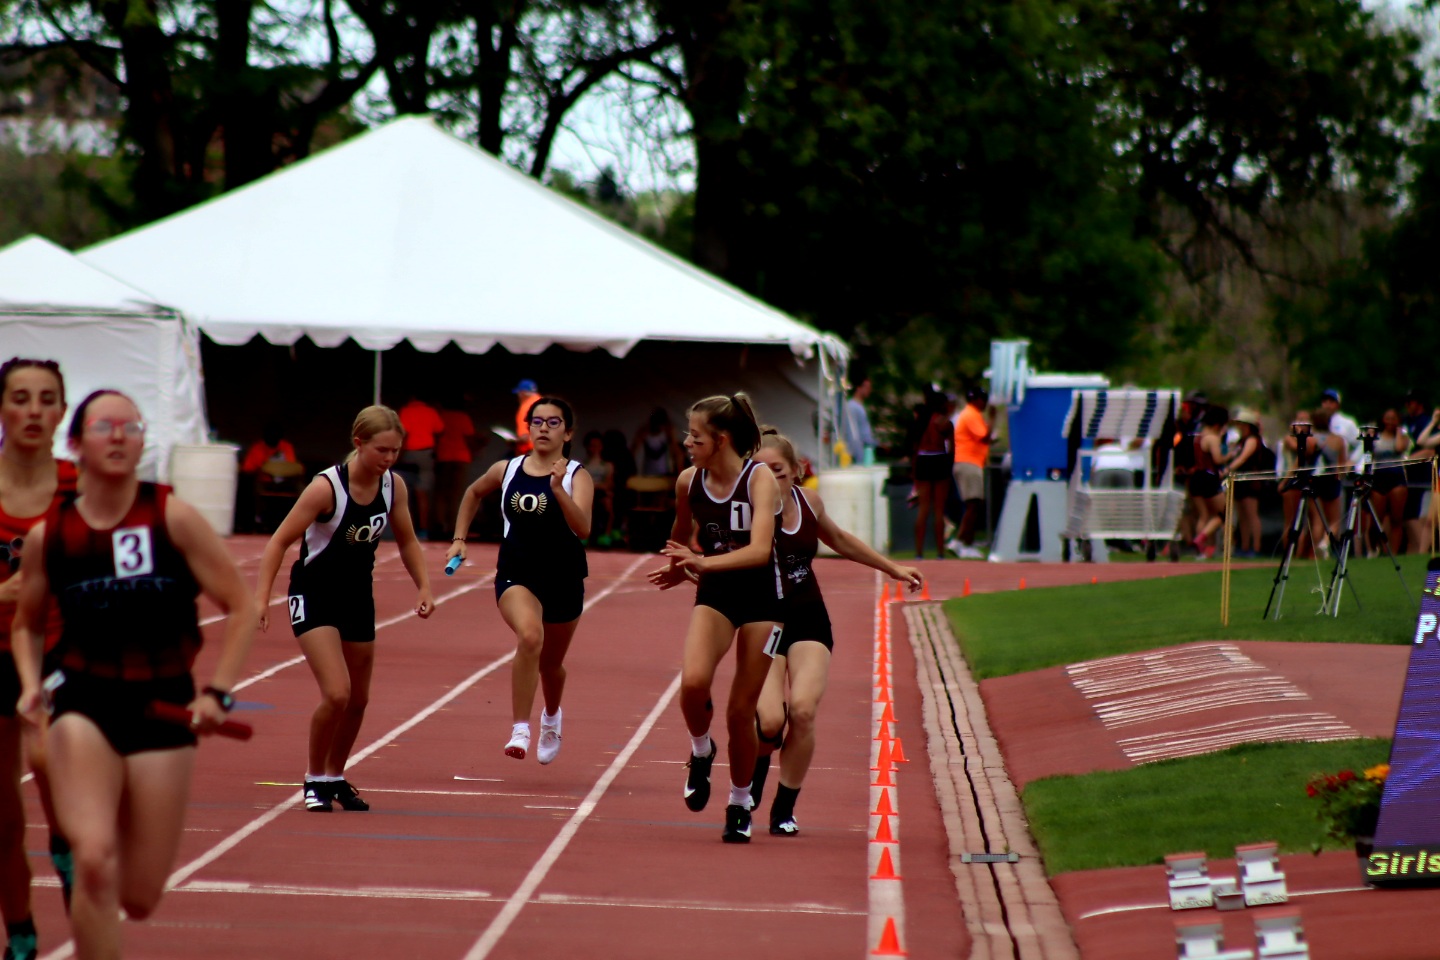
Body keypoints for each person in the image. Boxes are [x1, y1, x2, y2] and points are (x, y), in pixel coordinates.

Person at [10, 389, 256, 960]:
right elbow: (26, 626)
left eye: (131, 426)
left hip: (163, 709)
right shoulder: (53, 536)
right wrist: (29, 685)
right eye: (104, 426)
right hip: (84, 705)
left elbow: (240, 606)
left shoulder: (172, 517)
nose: (119, 435)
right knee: (92, 861)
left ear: (144, 442)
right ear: (75, 445)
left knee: (141, 895)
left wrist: (218, 692)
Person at [254, 406, 434, 813]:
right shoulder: (326, 488)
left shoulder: (394, 487)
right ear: (359, 444)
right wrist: (260, 599)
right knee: (336, 693)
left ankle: (335, 776)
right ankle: (314, 778)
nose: (389, 459)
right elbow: (279, 541)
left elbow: (406, 540)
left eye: (396, 451)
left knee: (359, 700)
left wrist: (423, 585)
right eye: (381, 450)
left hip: (357, 597)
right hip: (314, 595)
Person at [748, 428, 921, 835]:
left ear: (797, 472)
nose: (769, 479)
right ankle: (751, 780)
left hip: (808, 619)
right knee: (771, 720)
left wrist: (892, 568)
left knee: (803, 711)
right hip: (762, 622)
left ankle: (783, 809)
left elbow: (840, 539)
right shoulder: (747, 512)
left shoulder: (809, 503)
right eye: (759, 472)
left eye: (777, 470)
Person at [648, 393, 781, 844]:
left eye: (695, 435)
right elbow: (680, 531)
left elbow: (761, 551)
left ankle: (740, 802)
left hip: (764, 596)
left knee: (740, 710)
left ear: (720, 440)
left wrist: (702, 563)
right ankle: (701, 751)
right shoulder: (689, 481)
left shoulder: (759, 478)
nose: (686, 442)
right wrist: (676, 563)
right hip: (718, 593)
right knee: (693, 684)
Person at [446, 397, 592, 763]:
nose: (543, 428)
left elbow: (584, 528)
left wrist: (558, 490)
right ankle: (520, 729)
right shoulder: (506, 469)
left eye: (553, 422)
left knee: (551, 665)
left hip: (564, 576)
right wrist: (459, 539)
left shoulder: (577, 475)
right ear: (528, 428)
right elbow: (472, 492)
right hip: (517, 572)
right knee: (530, 636)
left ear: (568, 432)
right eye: (537, 421)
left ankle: (551, 716)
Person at [0, 359, 77, 960]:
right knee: (2, 818)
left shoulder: (85, 487)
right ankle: (21, 932)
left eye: (45, 399)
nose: (32, 409)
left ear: (61, 411)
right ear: (2, 408)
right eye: (20, 397)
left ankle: (73, 857)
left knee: (50, 767)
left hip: (62, 653)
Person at [946, 387, 992, 559]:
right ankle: (959, 542)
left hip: (969, 462)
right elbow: (984, 436)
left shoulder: (971, 414)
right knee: (973, 505)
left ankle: (967, 543)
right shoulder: (971, 414)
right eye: (984, 399)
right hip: (968, 462)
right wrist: (993, 418)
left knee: (974, 504)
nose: (986, 402)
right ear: (977, 400)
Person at [1224, 409, 1273, 558]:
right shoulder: (1240, 441)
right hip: (1240, 480)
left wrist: (1228, 469)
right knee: (1242, 516)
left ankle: (1256, 547)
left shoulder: (1252, 440)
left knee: (1251, 515)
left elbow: (1243, 458)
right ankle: (1244, 546)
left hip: (1250, 481)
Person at [910, 390, 953, 559]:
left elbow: (913, 447)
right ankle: (940, 552)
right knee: (939, 509)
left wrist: (914, 471)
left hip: (922, 459)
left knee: (923, 509)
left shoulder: (920, 421)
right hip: (939, 459)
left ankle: (919, 552)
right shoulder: (944, 423)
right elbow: (951, 449)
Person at [397, 394, 445, 538]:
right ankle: (423, 530)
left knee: (405, 494)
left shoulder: (406, 411)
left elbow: (403, 434)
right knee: (422, 493)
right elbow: (440, 431)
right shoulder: (430, 411)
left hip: (409, 453)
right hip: (426, 453)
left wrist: (397, 456)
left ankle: (407, 529)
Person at [239, 421, 300, 533]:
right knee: (251, 487)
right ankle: (257, 520)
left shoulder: (286, 447)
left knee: (302, 487)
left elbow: (291, 466)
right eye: (270, 435)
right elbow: (247, 469)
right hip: (265, 482)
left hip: (284, 481)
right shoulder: (257, 448)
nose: (273, 438)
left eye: (276, 435)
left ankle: (299, 521)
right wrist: (264, 466)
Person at [1189, 406, 1232, 559]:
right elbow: (1217, 459)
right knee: (1223, 513)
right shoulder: (1213, 438)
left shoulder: (1198, 437)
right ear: (1217, 425)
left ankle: (1201, 550)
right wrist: (1231, 454)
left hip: (1196, 477)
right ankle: (1202, 538)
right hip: (1208, 477)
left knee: (1203, 515)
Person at [434, 394, 477, 544]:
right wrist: (474, 452)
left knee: (441, 494)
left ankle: (440, 525)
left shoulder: (441, 415)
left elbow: (436, 434)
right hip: (461, 457)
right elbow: (469, 437)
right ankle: (454, 527)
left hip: (443, 456)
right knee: (457, 494)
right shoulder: (463, 417)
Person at [1366, 409, 1410, 557]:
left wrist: (1399, 431)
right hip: (1379, 477)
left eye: (1393, 418)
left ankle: (1393, 551)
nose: (1390, 421)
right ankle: (1374, 548)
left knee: (1396, 519)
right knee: (1376, 519)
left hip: (1396, 478)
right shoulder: (1376, 436)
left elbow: (1399, 448)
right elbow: (1367, 453)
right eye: (1387, 418)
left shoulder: (1403, 437)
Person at [1401, 390, 1435, 554]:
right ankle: (1416, 552)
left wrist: (1406, 459)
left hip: (1425, 478)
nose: (1408, 405)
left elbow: (1429, 449)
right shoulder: (1406, 422)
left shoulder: (1426, 421)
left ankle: (1423, 551)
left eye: (1411, 402)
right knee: (1410, 517)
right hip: (1410, 477)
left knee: (1422, 518)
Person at [581, 431, 615, 547]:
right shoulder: (582, 465)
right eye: (592, 445)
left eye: (597, 445)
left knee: (608, 502)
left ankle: (606, 534)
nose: (594, 448)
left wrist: (595, 485)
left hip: (601, 493)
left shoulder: (607, 465)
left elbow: (608, 484)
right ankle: (585, 533)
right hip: (587, 493)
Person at [632, 407, 681, 477]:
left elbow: (677, 453)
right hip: (648, 472)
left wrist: (679, 472)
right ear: (653, 423)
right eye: (657, 425)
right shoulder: (644, 432)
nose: (660, 428)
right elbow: (633, 451)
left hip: (664, 472)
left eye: (662, 425)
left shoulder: (668, 431)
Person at [840, 377, 877, 465]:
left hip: (866, 454)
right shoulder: (852, 407)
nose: (869, 390)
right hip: (858, 456)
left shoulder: (861, 407)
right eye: (867, 387)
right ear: (859, 388)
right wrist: (856, 456)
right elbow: (853, 434)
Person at [513, 380, 540, 456]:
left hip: (531, 452)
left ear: (523, 393)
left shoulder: (526, 407)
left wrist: (514, 441)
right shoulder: (545, 403)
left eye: (519, 393)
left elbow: (524, 437)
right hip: (549, 452)